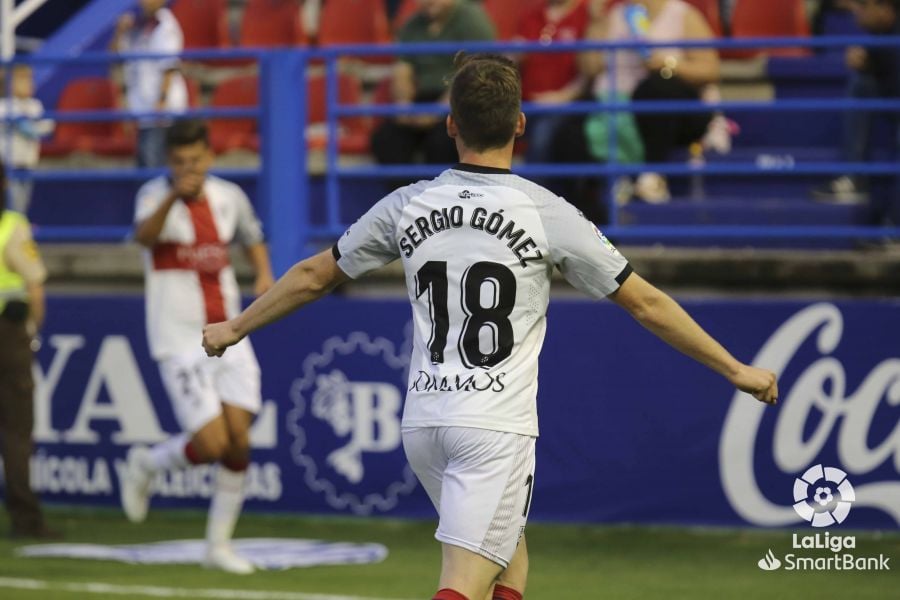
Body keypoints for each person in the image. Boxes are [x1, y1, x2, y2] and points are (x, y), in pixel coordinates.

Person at [202, 54, 778, 600]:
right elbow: (646, 303)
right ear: (520, 124)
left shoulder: (408, 202)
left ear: (450, 124)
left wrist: (236, 327)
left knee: (510, 559)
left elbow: (311, 275)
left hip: (425, 423)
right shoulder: (547, 212)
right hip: (493, 428)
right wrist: (734, 368)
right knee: (462, 582)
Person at [119, 119, 275, 574]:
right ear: (168, 162)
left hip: (228, 332)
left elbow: (252, 235)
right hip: (177, 339)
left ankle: (217, 546)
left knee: (239, 443)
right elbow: (145, 238)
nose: (189, 169)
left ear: (210, 156)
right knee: (210, 444)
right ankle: (148, 464)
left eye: (196, 160)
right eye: (179, 162)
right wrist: (173, 194)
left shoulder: (229, 196)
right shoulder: (152, 196)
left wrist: (263, 273)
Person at [569, 0, 720, 203]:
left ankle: (652, 176)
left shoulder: (682, 14)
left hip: (670, 105)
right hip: (616, 104)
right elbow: (590, 69)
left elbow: (710, 69)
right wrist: (596, 23)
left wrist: (666, 64)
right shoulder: (614, 15)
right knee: (564, 126)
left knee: (656, 88)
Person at [371, 0, 495, 177]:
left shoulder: (472, 19)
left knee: (443, 140)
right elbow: (402, 70)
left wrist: (436, 112)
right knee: (386, 139)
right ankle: (410, 199)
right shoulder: (411, 25)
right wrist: (404, 107)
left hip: (464, 101)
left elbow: (472, 73)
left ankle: (441, 197)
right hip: (422, 99)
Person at [0, 158, 57, 539]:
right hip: (8, 333)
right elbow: (34, 285)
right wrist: (33, 330)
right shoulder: (12, 227)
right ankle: (26, 519)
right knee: (17, 431)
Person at [813, 0, 900, 207]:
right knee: (862, 83)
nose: (856, 11)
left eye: (863, 5)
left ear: (885, 9)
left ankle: (892, 229)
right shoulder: (883, 35)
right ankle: (855, 178)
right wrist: (866, 62)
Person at [110, 0, 189, 168]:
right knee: (145, 166)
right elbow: (115, 57)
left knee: (154, 169)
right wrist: (119, 32)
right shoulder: (136, 25)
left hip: (162, 113)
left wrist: (161, 102)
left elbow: (169, 66)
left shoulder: (166, 26)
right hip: (143, 110)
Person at [514, 0, 592, 165]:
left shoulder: (586, 14)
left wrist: (563, 97)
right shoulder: (532, 15)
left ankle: (536, 187)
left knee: (543, 133)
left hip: (568, 103)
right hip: (525, 102)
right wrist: (513, 55)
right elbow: (513, 58)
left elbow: (589, 72)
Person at [0, 65, 54, 214]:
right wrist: (26, 124)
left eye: (30, 79)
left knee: (24, 200)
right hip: (9, 164)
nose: (29, 83)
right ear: (9, 83)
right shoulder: (4, 106)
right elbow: (26, 128)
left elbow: (44, 127)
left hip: (29, 162)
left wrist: (37, 126)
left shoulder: (35, 105)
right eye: (22, 80)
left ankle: (20, 224)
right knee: (11, 201)